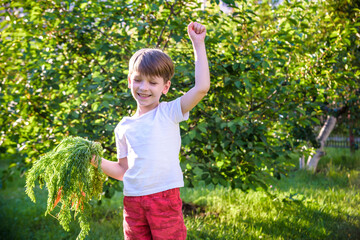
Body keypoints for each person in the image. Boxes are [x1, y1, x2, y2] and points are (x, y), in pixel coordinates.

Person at [91, 22, 210, 240]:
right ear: (129, 81)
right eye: (138, 80)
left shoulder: (169, 112)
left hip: (164, 197)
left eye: (153, 82)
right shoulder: (123, 127)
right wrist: (94, 160)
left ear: (165, 87)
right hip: (133, 200)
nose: (144, 87)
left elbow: (201, 88)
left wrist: (198, 44)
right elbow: (122, 170)